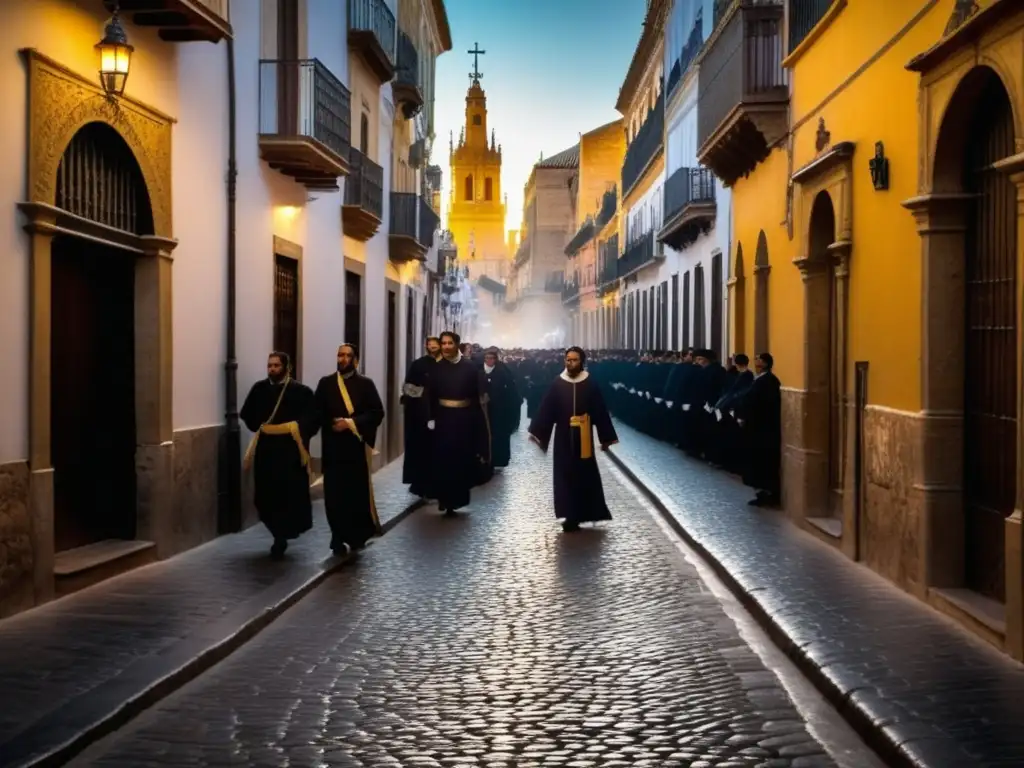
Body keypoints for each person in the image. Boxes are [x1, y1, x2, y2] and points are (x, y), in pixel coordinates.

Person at [528, 346, 618, 533]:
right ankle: (569, 515)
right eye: (568, 359)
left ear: (582, 361)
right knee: (564, 476)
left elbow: (600, 411)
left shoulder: (591, 383)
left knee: (585, 474)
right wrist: (538, 432)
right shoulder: (558, 383)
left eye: (574, 360)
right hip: (563, 437)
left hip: (584, 435)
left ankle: (588, 512)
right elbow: (547, 410)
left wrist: (606, 437)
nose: (570, 363)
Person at [240, 351, 317, 558]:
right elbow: (246, 414)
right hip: (266, 449)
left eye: (276, 365)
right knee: (266, 494)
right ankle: (276, 530)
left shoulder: (301, 391)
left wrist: (297, 428)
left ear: (286, 367)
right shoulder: (259, 389)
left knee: (289, 493)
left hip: (290, 450)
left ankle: (282, 535)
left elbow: (312, 417)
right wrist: (261, 425)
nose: (272, 369)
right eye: (269, 365)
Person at [313, 343, 385, 555]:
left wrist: (350, 423)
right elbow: (316, 412)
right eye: (340, 355)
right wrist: (330, 424)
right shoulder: (326, 384)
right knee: (334, 494)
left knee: (355, 493)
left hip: (355, 448)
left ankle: (355, 535)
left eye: (347, 356)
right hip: (333, 448)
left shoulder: (366, 384)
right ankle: (336, 535)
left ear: (355, 360)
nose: (342, 359)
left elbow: (377, 413)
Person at [429, 331, 491, 514]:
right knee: (443, 461)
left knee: (460, 461)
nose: (446, 346)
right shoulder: (436, 368)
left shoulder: (470, 368)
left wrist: (476, 422)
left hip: (464, 420)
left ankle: (457, 499)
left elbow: (475, 397)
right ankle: (444, 499)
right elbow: (430, 395)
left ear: (457, 344)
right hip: (442, 420)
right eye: (443, 343)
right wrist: (430, 417)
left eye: (450, 343)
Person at [737, 352, 782, 507]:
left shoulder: (769, 381)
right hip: (756, 428)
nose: (756, 362)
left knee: (763, 462)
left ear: (765, 363)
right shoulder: (759, 380)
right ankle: (760, 492)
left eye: (758, 359)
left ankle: (767, 493)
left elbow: (763, 404)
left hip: (763, 429)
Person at [402, 336, 440, 498]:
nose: (432, 348)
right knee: (421, 449)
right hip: (420, 414)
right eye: (429, 345)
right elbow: (408, 387)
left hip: (441, 413)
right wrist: (422, 394)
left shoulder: (446, 365)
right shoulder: (418, 364)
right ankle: (420, 483)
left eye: (434, 345)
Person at [481, 347, 522, 470]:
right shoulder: (479, 370)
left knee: (499, 435)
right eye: (487, 358)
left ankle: (499, 459)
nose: (489, 361)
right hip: (484, 409)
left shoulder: (503, 371)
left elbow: (511, 390)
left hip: (500, 410)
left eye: (492, 358)